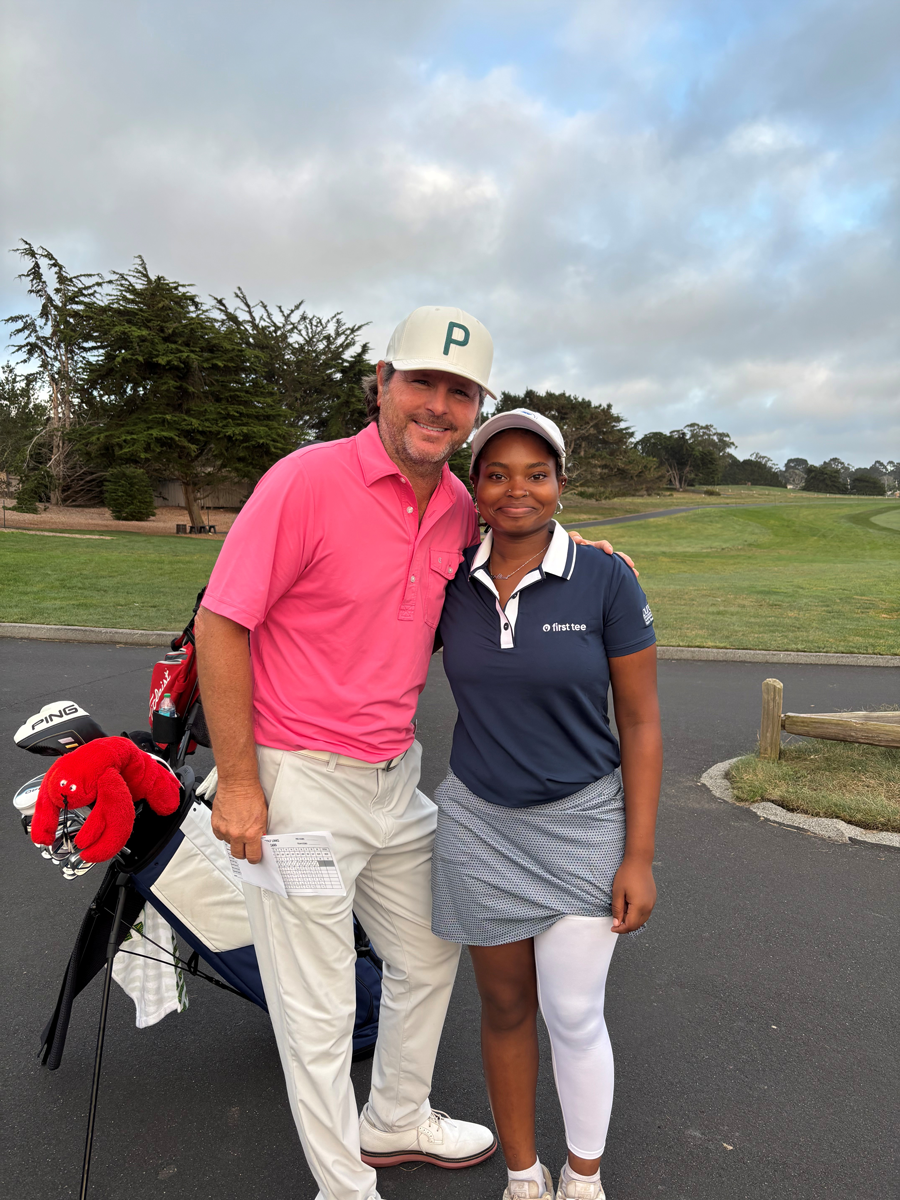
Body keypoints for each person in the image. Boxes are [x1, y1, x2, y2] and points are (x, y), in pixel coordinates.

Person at [195, 307, 632, 1200]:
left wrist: (586, 557)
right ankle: (343, 1185)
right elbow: (221, 620)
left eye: (460, 391)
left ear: (477, 406)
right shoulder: (306, 480)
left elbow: (521, 541)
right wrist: (239, 782)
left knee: (431, 951)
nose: (439, 404)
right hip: (297, 781)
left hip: (396, 776)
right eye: (424, 382)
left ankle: (394, 1117)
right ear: (384, 382)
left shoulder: (460, 508)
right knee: (317, 1006)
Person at [431, 409, 663, 1200]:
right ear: (475, 487)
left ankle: (584, 1176)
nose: (516, 490)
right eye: (496, 474)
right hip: (479, 822)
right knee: (501, 1007)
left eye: (536, 473)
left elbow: (639, 720)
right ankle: (524, 1176)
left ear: (562, 483)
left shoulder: (606, 578)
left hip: (584, 821)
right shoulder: (449, 579)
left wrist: (638, 854)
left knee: (571, 1010)